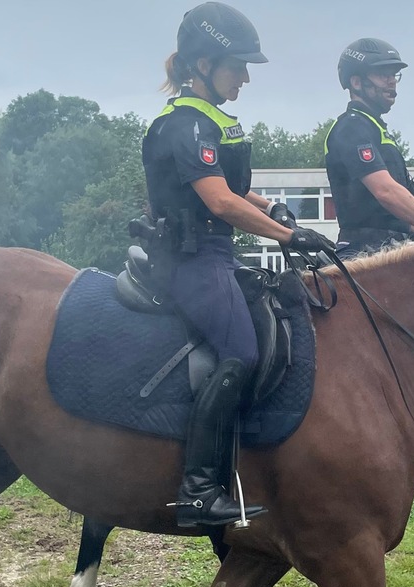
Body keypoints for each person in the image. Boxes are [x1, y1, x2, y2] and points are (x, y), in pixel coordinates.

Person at [143, 2, 335, 528]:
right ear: (203, 64)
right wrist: (289, 236)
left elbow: (234, 189)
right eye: (238, 66)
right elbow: (219, 203)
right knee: (241, 351)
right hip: (188, 260)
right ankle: (198, 489)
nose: (246, 77)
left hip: (216, 252)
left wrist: (273, 207)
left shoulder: (209, 121)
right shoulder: (183, 124)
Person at [325, 38, 414, 258]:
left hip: (393, 247)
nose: (391, 81)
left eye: (394, 75)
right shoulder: (351, 126)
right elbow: (386, 191)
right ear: (356, 82)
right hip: (363, 252)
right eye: (383, 74)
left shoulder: (375, 128)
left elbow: (392, 216)